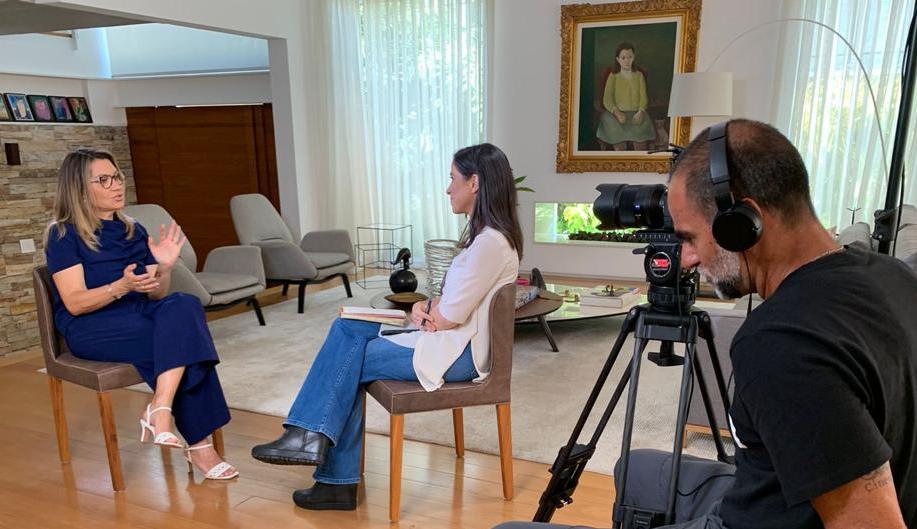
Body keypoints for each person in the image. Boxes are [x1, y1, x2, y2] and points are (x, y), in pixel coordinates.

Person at [494, 119, 916, 529]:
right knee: (634, 466)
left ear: (744, 223)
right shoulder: (895, 276)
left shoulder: (782, 343)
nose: (687, 260)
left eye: (691, 238)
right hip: (775, 492)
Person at [251, 142, 523, 511]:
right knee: (348, 329)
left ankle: (321, 458)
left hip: (457, 355)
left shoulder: (490, 243)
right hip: (452, 342)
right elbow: (451, 304)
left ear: (474, 183)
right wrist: (425, 308)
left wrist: (431, 312)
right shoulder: (488, 238)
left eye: (452, 179)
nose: (448, 189)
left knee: (348, 359)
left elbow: (450, 316)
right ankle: (313, 446)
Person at [44, 148, 238, 480]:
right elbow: (75, 303)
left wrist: (164, 267)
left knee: (185, 305)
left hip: (138, 314)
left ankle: (160, 406)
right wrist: (121, 286)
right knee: (185, 338)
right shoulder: (63, 234)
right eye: (103, 180)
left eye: (117, 176)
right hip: (91, 326)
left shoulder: (132, 229)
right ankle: (198, 445)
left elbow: (156, 293)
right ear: (79, 189)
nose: (117, 185)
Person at [595, 42, 656, 151]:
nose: (627, 61)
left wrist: (641, 112)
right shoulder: (613, 76)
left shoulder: (639, 75)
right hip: (615, 115)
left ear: (633, 58)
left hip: (636, 114)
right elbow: (607, 99)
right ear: (618, 60)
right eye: (623, 58)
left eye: (630, 57)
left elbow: (643, 97)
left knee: (640, 142)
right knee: (618, 139)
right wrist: (617, 112)